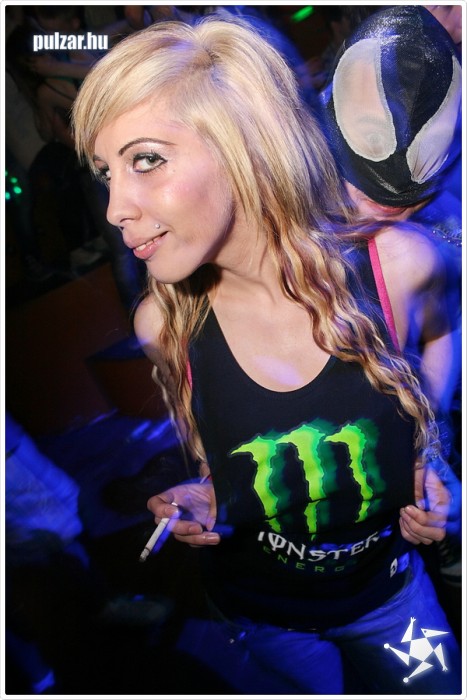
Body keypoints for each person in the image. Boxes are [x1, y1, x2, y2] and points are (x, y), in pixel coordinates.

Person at [72, 17, 461, 694]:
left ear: (246, 145)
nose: (114, 209)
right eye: (107, 173)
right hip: (263, 617)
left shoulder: (394, 267)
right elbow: (214, 452)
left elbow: (439, 333)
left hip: (390, 602)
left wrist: (427, 450)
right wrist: (208, 493)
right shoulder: (162, 323)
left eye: (146, 160)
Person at [319, 5, 462, 592]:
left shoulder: (438, 226)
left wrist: (431, 438)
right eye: (364, 195)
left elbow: (445, 328)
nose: (380, 216)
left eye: (402, 206)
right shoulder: (291, 212)